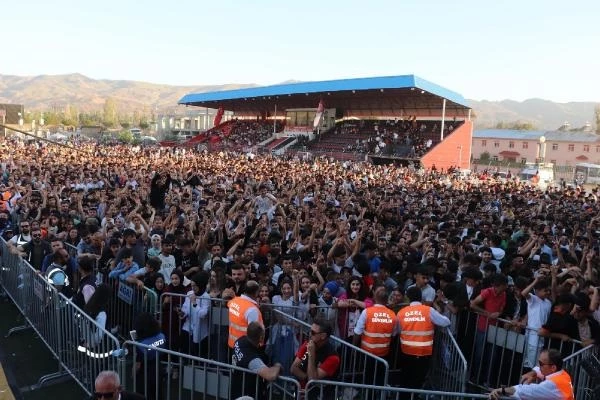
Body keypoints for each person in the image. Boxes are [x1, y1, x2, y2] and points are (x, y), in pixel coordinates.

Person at [397, 286, 451, 394]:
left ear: (408, 297)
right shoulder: (428, 310)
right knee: (418, 380)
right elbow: (446, 322)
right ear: (421, 297)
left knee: (405, 379)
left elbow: (398, 330)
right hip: (423, 352)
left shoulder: (401, 312)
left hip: (406, 351)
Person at [353, 285, 398, 387]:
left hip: (367, 352)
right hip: (383, 353)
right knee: (380, 379)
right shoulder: (392, 315)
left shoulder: (367, 312)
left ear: (375, 298)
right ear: (386, 300)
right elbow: (394, 335)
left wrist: (354, 348)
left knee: (368, 379)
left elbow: (357, 333)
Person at [489, 349, 574, 400]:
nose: (538, 366)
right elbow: (541, 371)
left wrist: (502, 390)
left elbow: (526, 391)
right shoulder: (563, 374)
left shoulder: (551, 384)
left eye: (541, 364)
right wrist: (533, 373)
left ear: (553, 367)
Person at [291, 319, 340, 400]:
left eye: (313, 333)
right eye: (310, 331)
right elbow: (293, 368)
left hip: (321, 395)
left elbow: (312, 380)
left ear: (323, 336)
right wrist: (308, 379)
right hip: (302, 393)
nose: (310, 334)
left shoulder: (333, 357)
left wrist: (311, 354)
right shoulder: (308, 343)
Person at [231, 321, 282, 399]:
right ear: (261, 338)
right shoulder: (252, 359)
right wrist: (277, 366)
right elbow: (270, 375)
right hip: (247, 395)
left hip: (236, 390)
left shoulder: (239, 341)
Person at [227, 280, 263, 350]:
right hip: (246, 348)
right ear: (256, 293)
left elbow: (229, 304)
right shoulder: (252, 310)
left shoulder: (234, 300)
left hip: (233, 344)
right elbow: (254, 333)